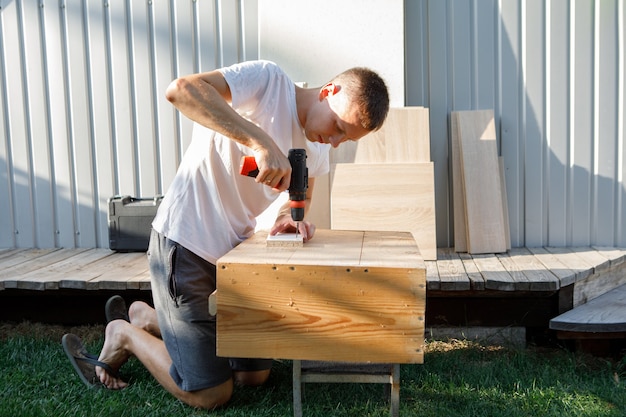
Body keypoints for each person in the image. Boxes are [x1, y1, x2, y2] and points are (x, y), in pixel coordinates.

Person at [62, 60, 389, 409]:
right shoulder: (268, 82)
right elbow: (181, 90)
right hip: (185, 242)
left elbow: (300, 195)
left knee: (254, 376)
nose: (335, 141)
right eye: (338, 126)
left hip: (236, 256)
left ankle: (148, 317)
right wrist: (259, 141)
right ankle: (124, 333)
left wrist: (287, 218)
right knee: (211, 393)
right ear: (329, 92)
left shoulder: (318, 148)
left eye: (345, 138)